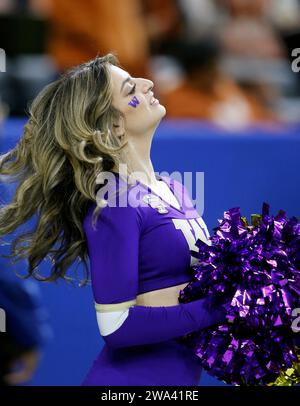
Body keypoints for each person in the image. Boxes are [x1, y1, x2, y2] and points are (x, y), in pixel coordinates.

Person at [0, 54, 227, 386]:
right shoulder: (115, 204)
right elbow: (116, 326)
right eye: (131, 87)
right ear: (113, 124)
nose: (149, 84)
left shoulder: (176, 190)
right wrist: (222, 307)